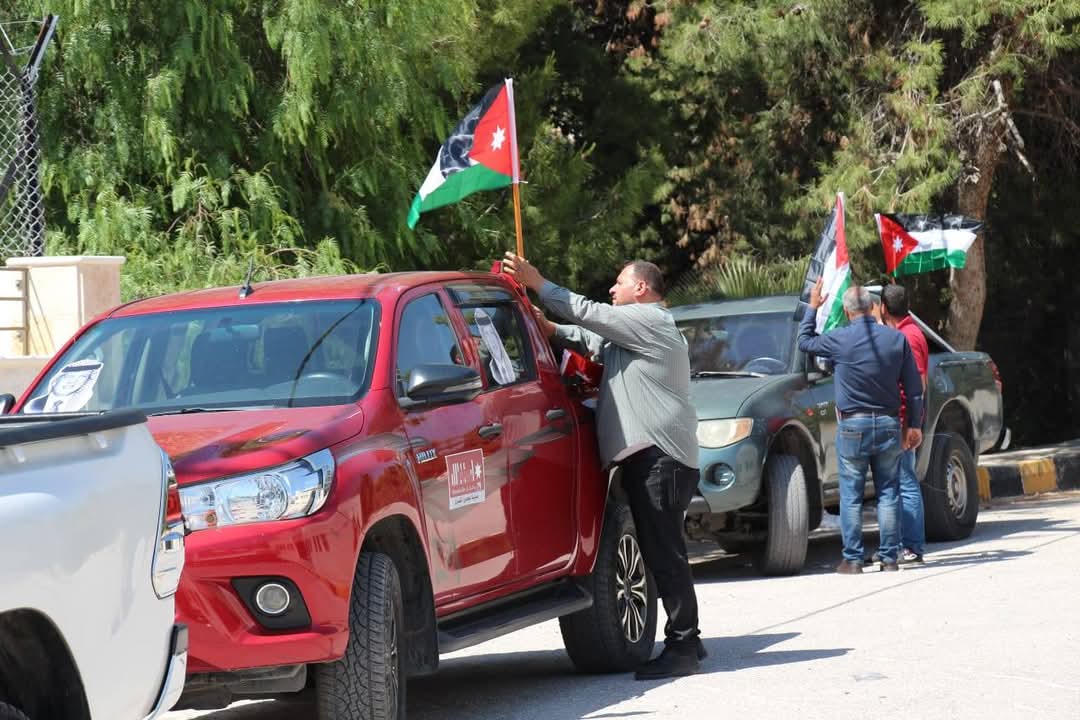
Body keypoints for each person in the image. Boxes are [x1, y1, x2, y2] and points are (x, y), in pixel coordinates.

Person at [501, 252, 704, 680]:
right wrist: (549, 328)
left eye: (619, 282)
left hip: (659, 459)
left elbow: (589, 314)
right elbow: (591, 342)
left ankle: (683, 645)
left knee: (664, 555)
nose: (612, 289)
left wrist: (539, 282)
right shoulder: (634, 333)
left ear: (641, 289)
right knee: (663, 551)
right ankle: (689, 639)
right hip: (654, 459)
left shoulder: (649, 320)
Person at [797, 280, 924, 573]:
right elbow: (914, 390)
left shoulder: (838, 339)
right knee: (888, 493)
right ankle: (889, 559)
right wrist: (914, 425)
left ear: (847, 311)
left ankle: (853, 560)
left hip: (853, 426)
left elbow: (804, 341)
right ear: (873, 307)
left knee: (851, 495)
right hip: (889, 424)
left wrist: (813, 307)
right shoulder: (896, 339)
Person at [880, 284, 930, 564]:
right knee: (900, 483)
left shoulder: (908, 337)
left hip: (903, 421)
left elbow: (918, 384)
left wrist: (912, 424)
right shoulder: (905, 333)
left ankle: (912, 545)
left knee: (906, 482)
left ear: (884, 308)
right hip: (902, 418)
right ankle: (901, 544)